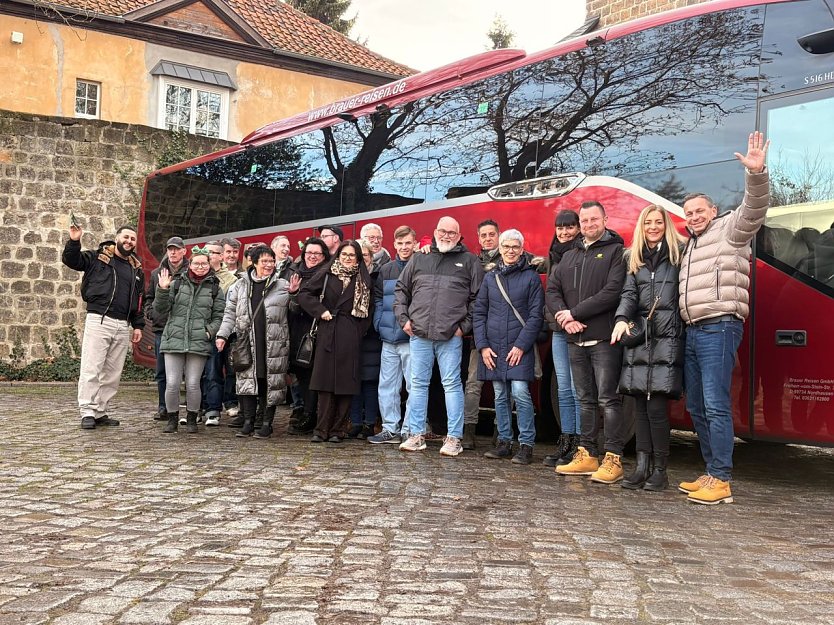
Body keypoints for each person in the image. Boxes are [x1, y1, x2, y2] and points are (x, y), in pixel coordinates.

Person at [677, 131, 770, 505]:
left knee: (715, 403)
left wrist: (756, 174)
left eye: (700, 210)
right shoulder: (690, 246)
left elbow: (754, 209)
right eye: (689, 213)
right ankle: (711, 469)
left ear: (713, 211)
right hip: (693, 331)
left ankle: (721, 477)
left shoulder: (730, 231)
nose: (694, 217)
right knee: (696, 405)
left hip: (720, 326)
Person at [548, 201, 627, 483]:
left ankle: (613, 458)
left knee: (609, 399)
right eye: (585, 220)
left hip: (603, 339)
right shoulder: (569, 255)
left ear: (605, 219)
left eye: (595, 219)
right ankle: (587, 454)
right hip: (574, 338)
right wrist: (565, 319)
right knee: (585, 400)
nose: (589, 224)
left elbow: (612, 292)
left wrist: (575, 312)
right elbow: (553, 289)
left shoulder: (616, 252)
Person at [394, 216, 484, 457]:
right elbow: (401, 290)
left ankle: (454, 437)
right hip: (420, 334)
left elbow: (478, 299)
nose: (446, 236)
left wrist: (462, 327)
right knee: (418, 386)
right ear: (435, 232)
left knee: (452, 386)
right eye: (442, 231)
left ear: (459, 235)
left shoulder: (469, 261)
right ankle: (416, 435)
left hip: (450, 336)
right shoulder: (419, 258)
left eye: (452, 233)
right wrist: (404, 319)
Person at [610, 205, 686, 491]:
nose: (653, 227)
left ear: (666, 225)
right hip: (640, 338)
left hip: (666, 339)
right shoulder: (634, 259)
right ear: (641, 227)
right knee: (639, 405)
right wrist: (620, 319)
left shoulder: (678, 255)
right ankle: (641, 466)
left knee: (656, 408)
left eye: (658, 222)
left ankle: (660, 470)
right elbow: (629, 294)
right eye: (648, 223)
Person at [62, 224, 145, 429]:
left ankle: (100, 410)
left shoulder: (136, 269)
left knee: (112, 372)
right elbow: (71, 260)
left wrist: (138, 325)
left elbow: (138, 300)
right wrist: (74, 241)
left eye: (133, 239)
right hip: (99, 319)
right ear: (116, 238)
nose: (129, 241)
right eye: (126, 237)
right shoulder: (97, 258)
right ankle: (87, 411)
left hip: (122, 324)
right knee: (92, 367)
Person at [473, 229, 544, 465]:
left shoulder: (531, 278)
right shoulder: (490, 278)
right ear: (500, 250)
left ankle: (526, 445)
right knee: (500, 395)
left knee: (521, 394)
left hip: (518, 347)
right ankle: (504, 441)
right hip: (493, 346)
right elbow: (479, 312)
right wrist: (482, 346)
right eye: (506, 247)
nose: (510, 251)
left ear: (522, 249)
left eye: (515, 247)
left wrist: (521, 346)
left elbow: (535, 317)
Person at [216, 245, 299, 438]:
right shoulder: (240, 285)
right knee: (247, 382)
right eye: (264, 261)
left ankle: (266, 423)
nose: (269, 265)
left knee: (269, 383)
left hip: (274, 343)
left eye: (271, 261)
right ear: (253, 263)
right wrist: (222, 335)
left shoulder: (283, 286)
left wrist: (295, 295)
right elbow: (230, 313)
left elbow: (295, 312)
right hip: (247, 343)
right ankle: (248, 422)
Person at [298, 240, 373, 443]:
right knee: (325, 384)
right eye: (344, 254)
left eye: (352, 255)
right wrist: (320, 311)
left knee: (346, 384)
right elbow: (304, 294)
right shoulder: (326, 272)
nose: (348, 258)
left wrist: (357, 331)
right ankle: (321, 429)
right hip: (327, 331)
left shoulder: (363, 278)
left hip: (350, 335)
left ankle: (338, 430)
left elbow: (369, 312)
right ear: (338, 255)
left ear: (357, 258)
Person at [155, 246, 225, 434]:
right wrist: (162, 289)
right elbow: (160, 310)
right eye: (196, 263)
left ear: (209, 265)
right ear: (190, 264)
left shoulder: (215, 288)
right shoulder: (176, 283)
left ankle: (193, 418)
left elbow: (219, 316)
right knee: (172, 383)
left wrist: (208, 332)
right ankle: (172, 419)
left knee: (193, 383)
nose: (200, 266)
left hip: (198, 341)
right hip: (174, 339)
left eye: (204, 263)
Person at [368, 226, 417, 444]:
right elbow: (378, 298)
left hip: (412, 339)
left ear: (414, 244)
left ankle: (408, 429)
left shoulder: (421, 267)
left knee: (414, 386)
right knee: (387, 386)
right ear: (394, 245)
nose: (404, 247)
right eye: (400, 243)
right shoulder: (386, 270)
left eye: (408, 243)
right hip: (388, 337)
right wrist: (379, 323)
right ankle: (390, 428)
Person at [542, 210, 583, 467]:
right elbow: (551, 292)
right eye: (560, 227)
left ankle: (580, 445)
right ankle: (565, 441)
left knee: (579, 389)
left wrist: (573, 316)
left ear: (578, 228)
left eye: (569, 227)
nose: (564, 232)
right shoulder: (553, 254)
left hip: (577, 326)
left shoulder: (582, 252)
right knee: (563, 389)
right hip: (558, 328)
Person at [462, 219, 501, 449]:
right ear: (478, 238)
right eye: (483, 235)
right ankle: (469, 431)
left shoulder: (512, 256)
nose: (487, 239)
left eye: (491, 234)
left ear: (498, 235)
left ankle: (500, 431)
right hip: (480, 333)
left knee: (500, 385)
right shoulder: (473, 262)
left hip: (503, 332)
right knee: (473, 384)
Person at [286, 237, 331, 435]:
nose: (312, 256)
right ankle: (305, 412)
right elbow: (292, 308)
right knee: (301, 376)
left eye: (317, 253)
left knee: (314, 376)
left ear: (324, 256)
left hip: (316, 331)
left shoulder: (328, 275)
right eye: (309, 253)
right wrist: (294, 294)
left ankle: (311, 415)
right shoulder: (294, 273)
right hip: (296, 332)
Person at [144, 236, 189, 422]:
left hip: (184, 329)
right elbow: (148, 297)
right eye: (170, 249)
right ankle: (164, 407)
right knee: (162, 372)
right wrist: (151, 313)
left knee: (189, 372)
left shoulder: (190, 272)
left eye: (177, 249)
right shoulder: (157, 274)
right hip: (162, 329)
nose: (173, 252)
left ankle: (192, 409)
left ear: (184, 251)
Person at [199, 240, 237, 426]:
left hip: (221, 331)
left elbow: (229, 309)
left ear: (221, 256)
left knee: (217, 370)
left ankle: (214, 409)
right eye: (207, 252)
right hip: (199, 331)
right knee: (201, 373)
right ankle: (201, 407)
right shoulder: (197, 275)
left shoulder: (231, 280)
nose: (210, 255)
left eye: (213, 253)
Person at [348, 240, 383, 438]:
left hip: (372, 338)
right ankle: (355, 422)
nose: (362, 260)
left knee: (370, 383)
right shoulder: (345, 277)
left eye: (366, 255)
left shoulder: (378, 277)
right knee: (353, 382)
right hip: (351, 337)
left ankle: (370, 423)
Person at [220, 237, 243, 418]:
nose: (232, 255)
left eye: (235, 252)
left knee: (232, 367)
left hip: (235, 329)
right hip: (216, 327)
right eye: (228, 251)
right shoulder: (214, 273)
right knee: (212, 368)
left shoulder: (243, 274)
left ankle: (230, 401)